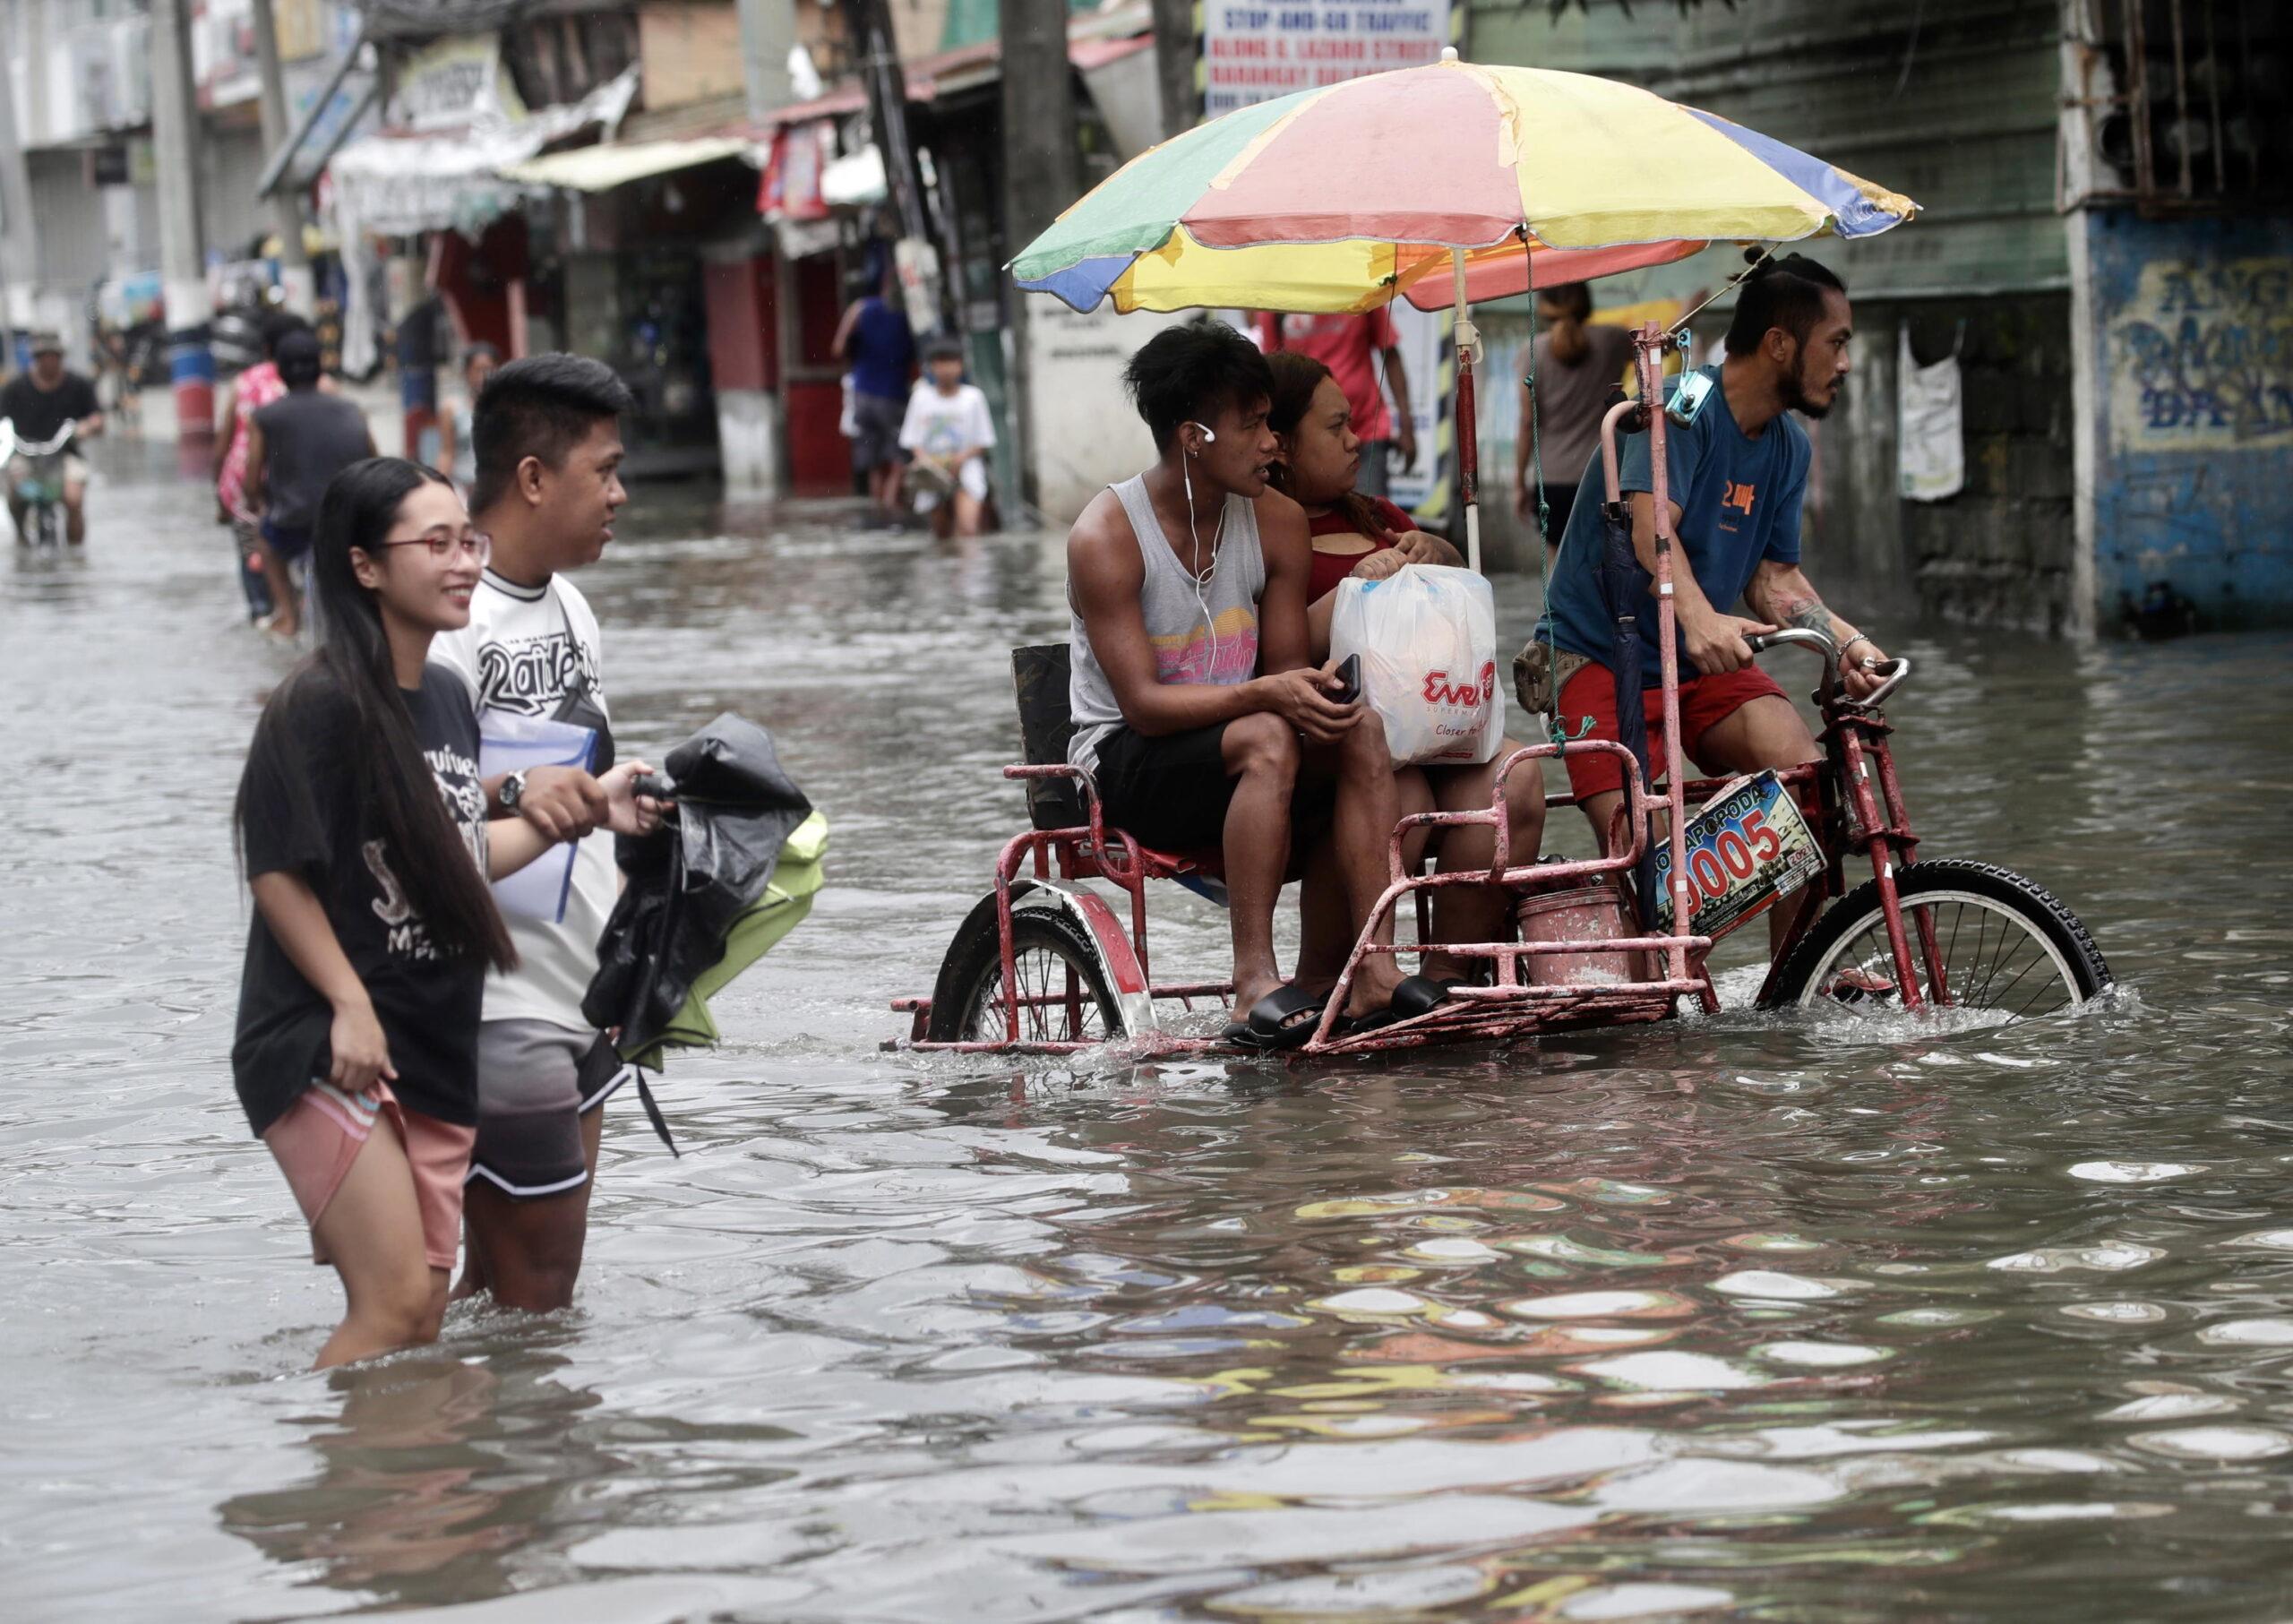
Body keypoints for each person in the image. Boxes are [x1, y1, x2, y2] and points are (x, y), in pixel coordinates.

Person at [231, 457, 660, 1369]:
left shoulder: (447, 698)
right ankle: (332, 1501)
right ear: (364, 567)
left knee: (424, 1309)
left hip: (423, 1038)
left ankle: (406, 1497)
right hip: (322, 1041)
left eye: (468, 539)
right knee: (392, 1308)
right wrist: (346, 1001)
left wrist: (581, 809)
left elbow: (460, 859)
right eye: (436, 543)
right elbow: (274, 869)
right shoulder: (319, 703)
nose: (465, 560)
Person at [1533, 254, 1890, 959]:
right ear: (1781, 344)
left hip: (1696, 657)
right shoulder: (1682, 408)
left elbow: (1774, 579)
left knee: (1805, 782)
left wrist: (1849, 643)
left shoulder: (1788, 445)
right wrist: (1697, 618)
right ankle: (1658, 1013)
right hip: (1596, 653)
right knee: (1658, 864)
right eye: (1837, 341)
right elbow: (1649, 528)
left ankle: (1791, 988)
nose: (1846, 362)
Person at [1067, 322, 1410, 1048]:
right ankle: (1252, 978)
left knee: (1364, 729)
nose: (1271, 444)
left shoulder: (1277, 521)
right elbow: (1146, 708)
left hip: (1239, 746)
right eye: (1252, 426)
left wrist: (1312, 689)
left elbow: (1284, 667)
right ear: (1194, 438)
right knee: (1266, 734)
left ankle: (1375, 967)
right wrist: (1268, 697)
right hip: (1126, 762)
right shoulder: (1106, 535)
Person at [428, 354, 643, 1314]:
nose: (620, 494)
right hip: (495, 998)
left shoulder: (572, 604)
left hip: (582, 983)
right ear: (531, 477)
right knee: (542, 1300)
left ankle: (483, 1454)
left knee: (501, 1290)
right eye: (603, 470)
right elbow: (407, 797)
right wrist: (520, 785)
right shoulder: (445, 620)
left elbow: (587, 787)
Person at [1266, 350, 1547, 1011]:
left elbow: (1451, 605)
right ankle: (1330, 975)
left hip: (1433, 724)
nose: (1355, 440)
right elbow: (1265, 657)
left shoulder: (1376, 513)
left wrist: (1435, 554)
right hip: (1331, 735)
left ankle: (1450, 974)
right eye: (1334, 428)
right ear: (1280, 443)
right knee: (1404, 790)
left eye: (1352, 423)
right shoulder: (1264, 530)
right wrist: (1354, 592)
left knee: (1519, 778)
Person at [246, 331, 377, 640]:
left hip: (294, 524)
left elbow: (251, 480)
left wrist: (258, 502)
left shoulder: (265, 416)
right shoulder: (351, 409)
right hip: (350, 521)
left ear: (279, 370)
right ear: (320, 367)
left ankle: (289, 618)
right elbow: (375, 459)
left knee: (265, 540)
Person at [1512, 282, 1636, 563]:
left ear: (1544, 307)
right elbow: (1655, 350)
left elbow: (1526, 422)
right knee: (1603, 562)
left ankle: (1558, 609)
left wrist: (1519, 482)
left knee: (1560, 564)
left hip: (1553, 480)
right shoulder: (1612, 340)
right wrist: (1688, 308)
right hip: (1602, 474)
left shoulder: (1531, 352)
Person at [216, 313, 318, 623]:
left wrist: (219, 497)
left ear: (266, 347)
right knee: (301, 560)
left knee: (252, 558)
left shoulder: (243, 382)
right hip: (292, 488)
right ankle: (299, 611)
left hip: (243, 489)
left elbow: (223, 445)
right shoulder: (308, 385)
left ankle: (261, 611)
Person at [1253, 311, 1417, 499]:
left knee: (1372, 516)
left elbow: (1391, 355)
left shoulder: (1363, 287)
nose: (1351, 440)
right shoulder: (1277, 299)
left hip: (1368, 427)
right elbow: (1273, 372)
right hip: (1309, 444)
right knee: (1313, 518)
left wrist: (1406, 425)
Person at [3, 332, 103, 545]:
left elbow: (97, 418)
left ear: (60, 357)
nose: (48, 361)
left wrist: (88, 427)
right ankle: (21, 535)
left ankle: (76, 551)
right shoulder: (15, 388)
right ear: (36, 358)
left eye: (53, 356)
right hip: (25, 452)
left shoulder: (78, 385)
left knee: (74, 498)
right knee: (13, 491)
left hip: (65, 453)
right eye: (43, 356)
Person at [835, 271, 915, 526]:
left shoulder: (860, 309)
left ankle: (878, 509)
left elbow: (837, 348)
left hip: (863, 395)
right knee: (899, 456)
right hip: (893, 394)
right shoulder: (909, 314)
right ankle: (892, 506)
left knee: (872, 459)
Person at [898, 336, 994, 538]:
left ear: (960, 365)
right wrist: (928, 462)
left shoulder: (973, 398)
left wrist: (959, 459)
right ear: (932, 367)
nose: (946, 368)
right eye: (941, 362)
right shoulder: (921, 398)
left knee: (968, 529)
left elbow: (984, 441)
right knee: (940, 533)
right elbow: (912, 440)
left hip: (966, 466)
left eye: (951, 362)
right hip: (931, 471)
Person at [434, 342, 501, 498]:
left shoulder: (507, 408)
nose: (484, 375)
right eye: (478, 370)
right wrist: (438, 487)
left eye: (490, 368)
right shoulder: (452, 409)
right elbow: (446, 452)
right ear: (467, 372)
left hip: (496, 489)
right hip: (463, 487)